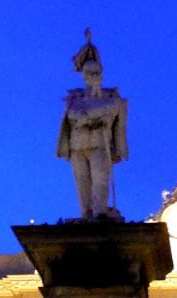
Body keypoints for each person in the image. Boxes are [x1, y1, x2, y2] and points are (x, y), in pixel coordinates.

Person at [56, 29, 128, 220]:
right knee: (82, 181)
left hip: (99, 144)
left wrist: (86, 115)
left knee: (100, 178)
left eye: (97, 73)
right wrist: (95, 115)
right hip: (77, 145)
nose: (94, 76)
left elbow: (111, 110)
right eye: (90, 73)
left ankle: (100, 213)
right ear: (84, 76)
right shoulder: (75, 97)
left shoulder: (112, 97)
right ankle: (86, 214)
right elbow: (72, 115)